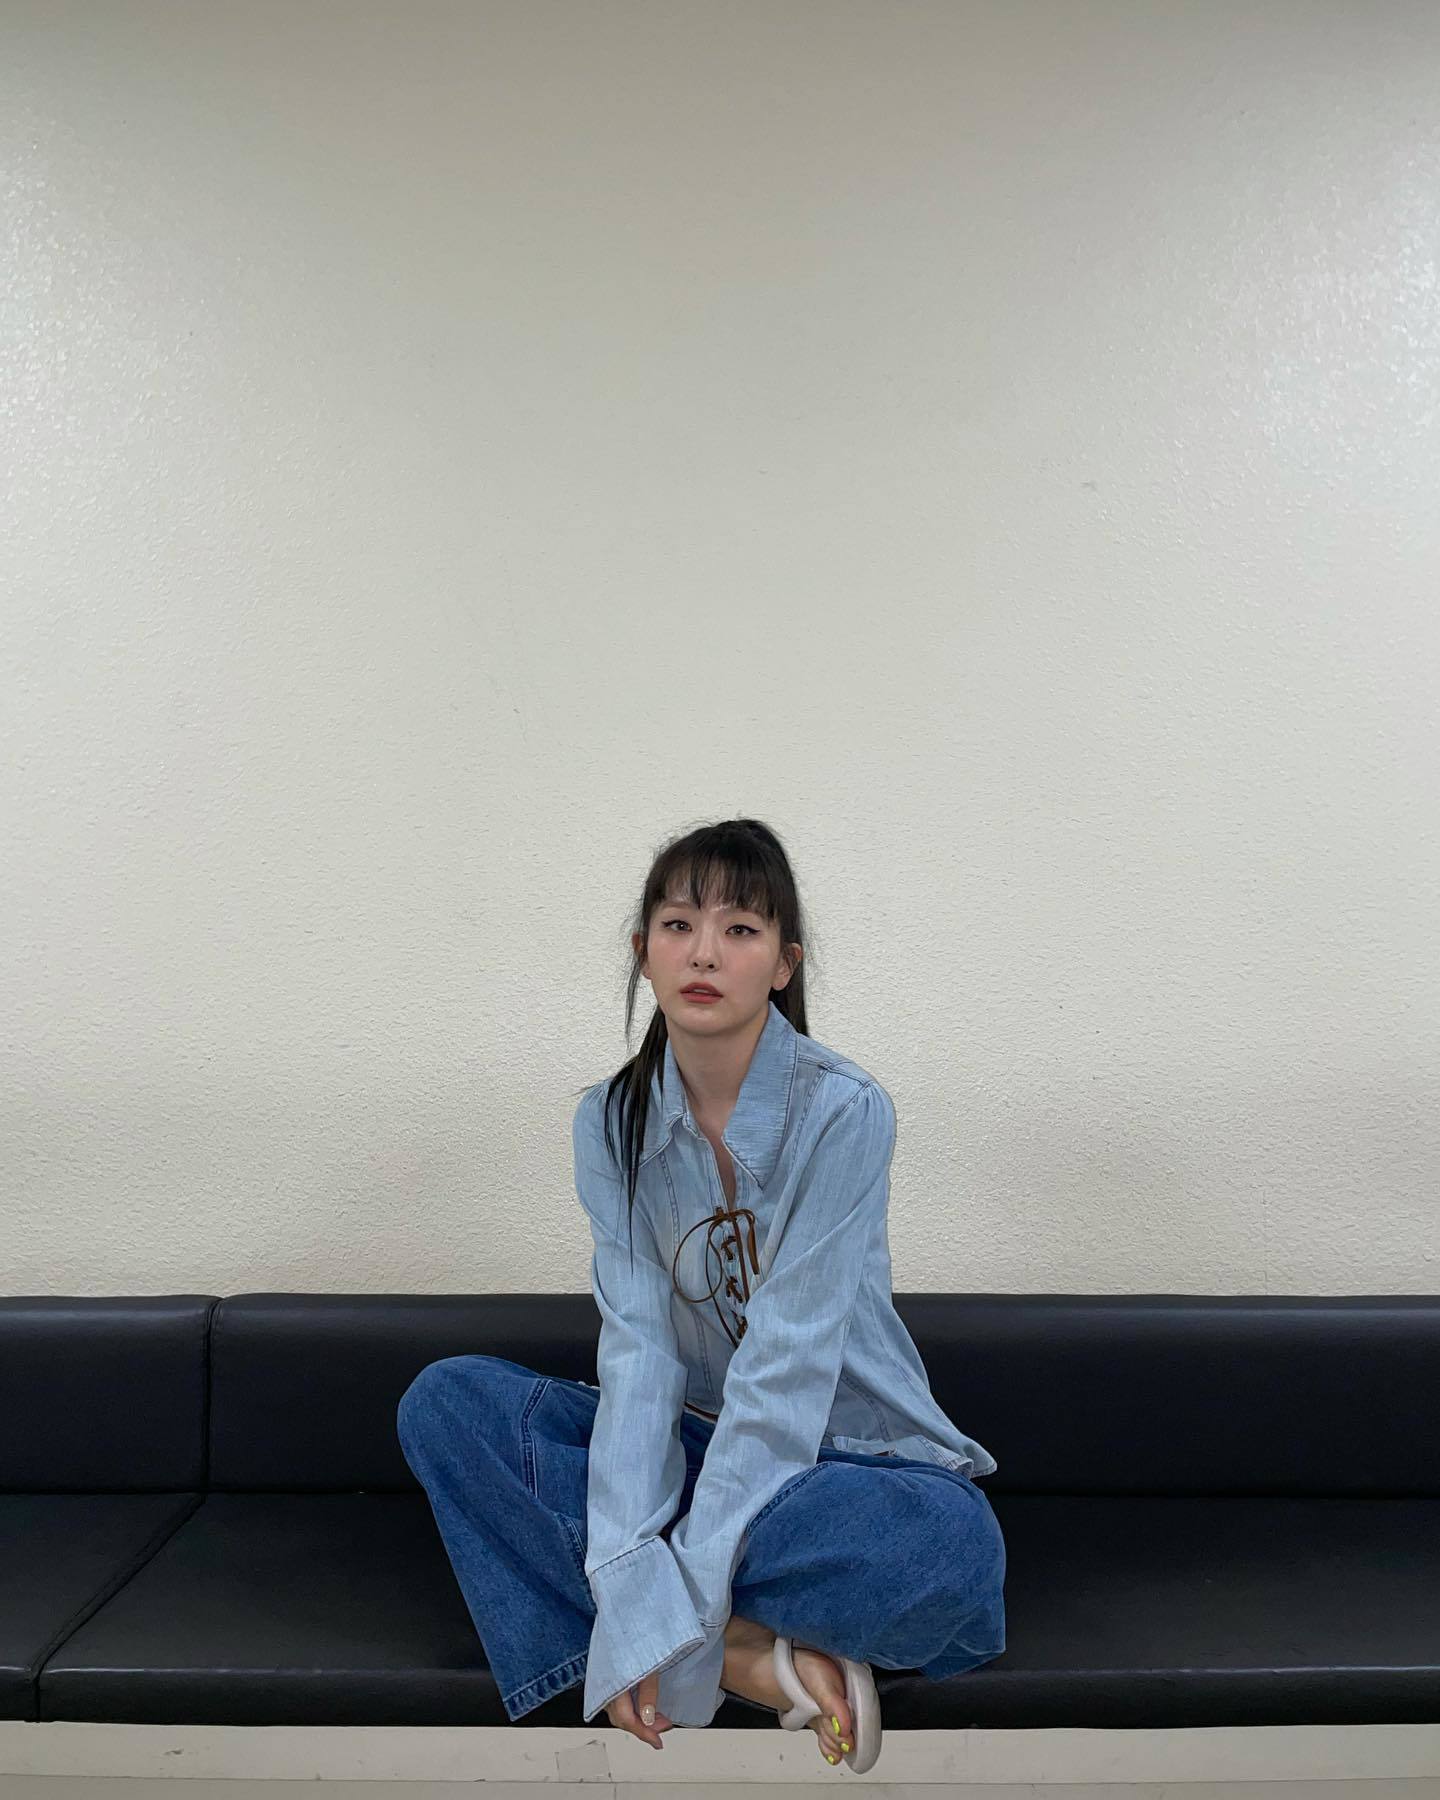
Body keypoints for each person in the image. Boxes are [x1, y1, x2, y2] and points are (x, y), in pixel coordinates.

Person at [397, 818, 1005, 1771]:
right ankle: (745, 1655)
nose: (705, 953)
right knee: (445, 1402)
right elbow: (639, 1358)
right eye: (678, 925)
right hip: (693, 1442)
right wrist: (651, 1552)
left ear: (784, 964)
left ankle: (672, 1635)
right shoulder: (609, 1122)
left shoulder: (845, 1111)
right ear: (644, 952)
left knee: (949, 1547)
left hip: (839, 1462)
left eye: (741, 929)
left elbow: (786, 1371)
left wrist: (660, 1584)